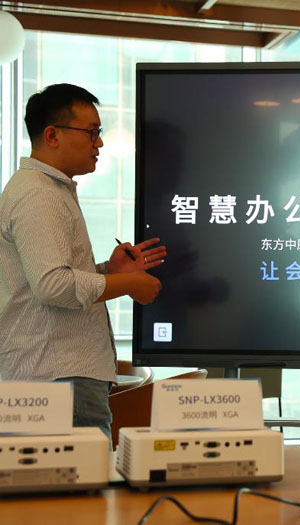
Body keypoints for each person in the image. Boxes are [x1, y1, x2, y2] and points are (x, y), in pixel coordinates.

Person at [0, 83, 165, 440]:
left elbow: (46, 277)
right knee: (84, 476)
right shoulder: (38, 195)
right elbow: (51, 286)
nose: (99, 143)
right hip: (58, 377)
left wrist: (108, 271)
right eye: (91, 132)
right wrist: (129, 284)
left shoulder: (46, 189)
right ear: (52, 135)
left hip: (57, 375)